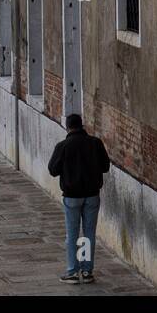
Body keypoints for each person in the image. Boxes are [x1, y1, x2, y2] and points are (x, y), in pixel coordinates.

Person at [48, 113, 112, 283]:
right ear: (82, 126)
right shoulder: (95, 143)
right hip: (92, 195)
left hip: (72, 197)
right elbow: (105, 167)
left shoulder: (63, 146)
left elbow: (53, 170)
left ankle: (72, 272)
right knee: (88, 234)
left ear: (68, 127)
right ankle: (86, 271)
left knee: (72, 234)